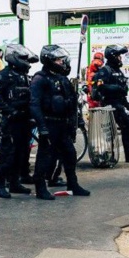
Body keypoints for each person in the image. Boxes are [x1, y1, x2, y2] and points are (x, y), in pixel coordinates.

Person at [30, 45, 90, 200]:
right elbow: (34, 104)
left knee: (70, 154)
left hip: (64, 124)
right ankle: (40, 186)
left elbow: (72, 102)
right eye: (58, 60)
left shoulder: (62, 79)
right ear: (49, 60)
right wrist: (42, 126)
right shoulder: (39, 79)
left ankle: (73, 184)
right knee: (45, 156)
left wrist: (78, 121)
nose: (61, 62)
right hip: (49, 123)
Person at [0, 44, 38, 199]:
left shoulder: (23, 76)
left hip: (24, 120)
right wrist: (9, 110)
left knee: (22, 153)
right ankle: (0, 184)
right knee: (8, 154)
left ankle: (14, 182)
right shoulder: (5, 75)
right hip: (11, 121)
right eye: (23, 58)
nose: (26, 62)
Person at [93, 44, 129, 163]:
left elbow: (122, 89)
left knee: (128, 126)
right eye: (119, 55)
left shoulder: (118, 71)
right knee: (109, 133)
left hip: (119, 104)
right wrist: (115, 88)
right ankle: (109, 156)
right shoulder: (105, 70)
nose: (121, 58)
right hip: (108, 105)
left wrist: (126, 102)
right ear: (113, 56)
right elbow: (100, 87)